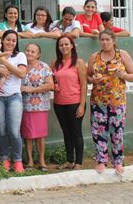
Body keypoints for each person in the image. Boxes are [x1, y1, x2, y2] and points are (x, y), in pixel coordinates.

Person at [87, 30, 133, 174]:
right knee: (98, 131)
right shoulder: (94, 57)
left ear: (114, 40)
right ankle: (102, 161)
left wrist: (123, 75)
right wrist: (93, 80)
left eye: (108, 39)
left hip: (117, 101)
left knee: (117, 132)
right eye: (102, 39)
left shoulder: (122, 55)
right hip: (98, 101)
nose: (105, 42)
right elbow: (88, 76)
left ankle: (118, 161)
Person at [0, 30, 27, 173]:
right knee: (2, 130)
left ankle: (17, 161)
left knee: (14, 131)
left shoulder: (20, 55)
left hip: (14, 97)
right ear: (2, 40)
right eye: (8, 40)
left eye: (13, 40)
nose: (11, 42)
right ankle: (4, 159)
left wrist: (4, 62)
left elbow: (21, 73)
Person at [51, 36, 87, 170]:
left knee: (76, 132)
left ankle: (78, 162)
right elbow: (52, 80)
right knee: (66, 132)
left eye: (66, 44)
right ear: (58, 47)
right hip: (59, 103)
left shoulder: (78, 62)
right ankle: (69, 160)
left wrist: (82, 105)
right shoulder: (55, 63)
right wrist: (54, 85)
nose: (64, 47)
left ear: (72, 45)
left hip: (75, 102)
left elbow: (84, 85)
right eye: (61, 45)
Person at [20, 43, 54, 171]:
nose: (29, 53)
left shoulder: (44, 67)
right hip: (25, 106)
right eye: (27, 50)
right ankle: (29, 161)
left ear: (38, 54)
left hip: (41, 106)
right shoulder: (21, 66)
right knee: (28, 134)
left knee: (40, 135)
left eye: (33, 51)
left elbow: (51, 85)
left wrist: (32, 89)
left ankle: (41, 161)